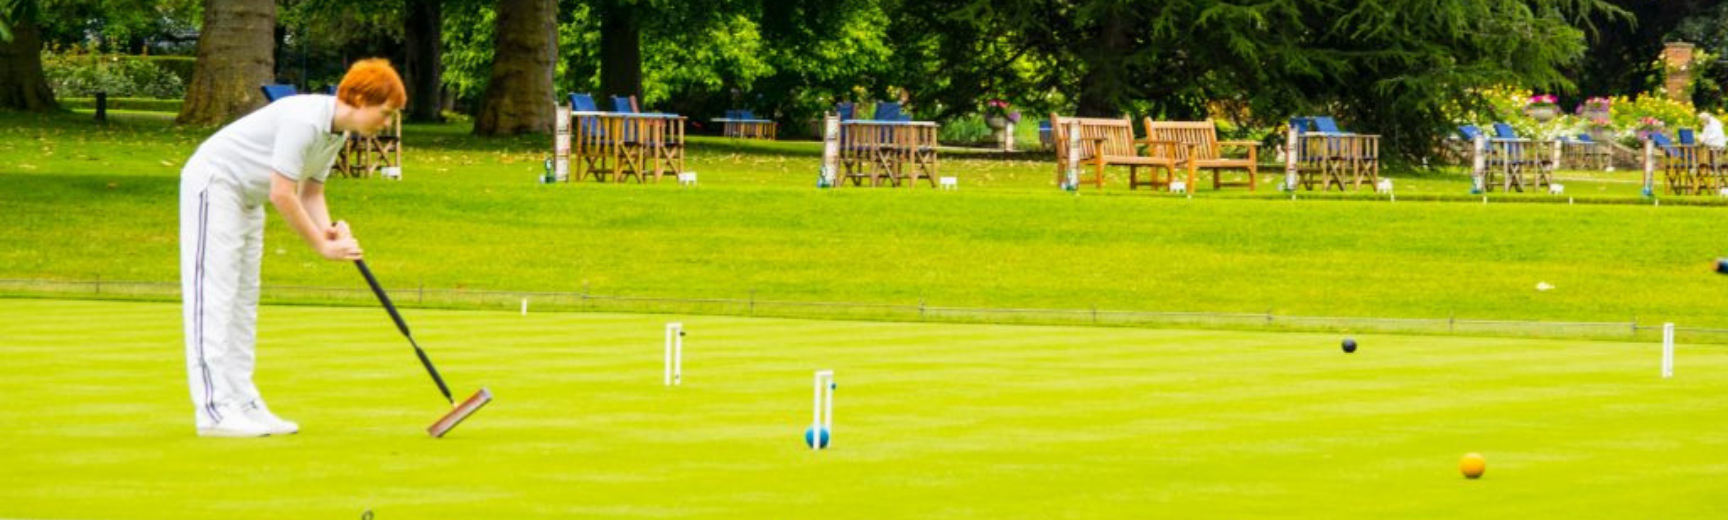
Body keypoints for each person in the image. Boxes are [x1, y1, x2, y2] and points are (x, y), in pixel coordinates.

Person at [179, 59, 404, 437]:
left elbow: (311, 192)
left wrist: (330, 231)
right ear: (361, 99)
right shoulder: (304, 120)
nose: (385, 124)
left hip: (245, 199)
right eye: (384, 114)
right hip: (214, 183)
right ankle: (214, 411)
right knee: (214, 295)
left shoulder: (337, 133)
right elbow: (282, 193)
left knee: (244, 299)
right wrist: (320, 246)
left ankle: (244, 401)